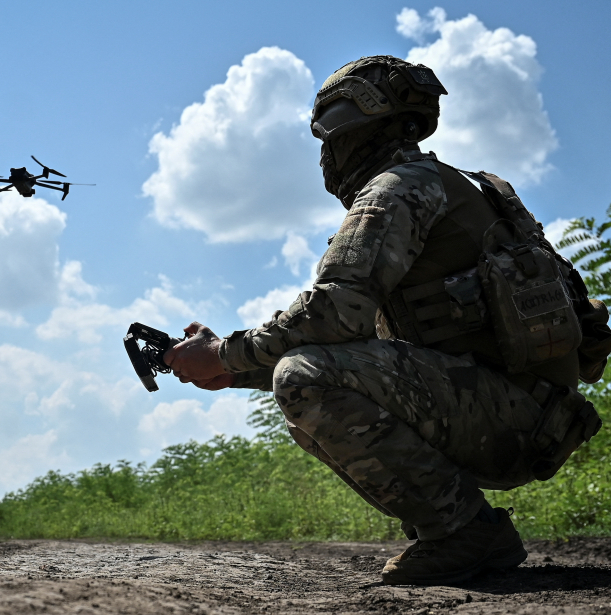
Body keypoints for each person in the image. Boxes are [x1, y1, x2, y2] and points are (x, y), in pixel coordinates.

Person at [163, 55, 605, 586]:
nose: (326, 152)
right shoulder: (449, 187)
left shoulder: (397, 189)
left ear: (358, 124)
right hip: (528, 418)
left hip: (506, 418)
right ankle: (463, 526)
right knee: (300, 377)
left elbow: (332, 314)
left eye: (329, 133)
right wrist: (234, 371)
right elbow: (368, 339)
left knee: (302, 379)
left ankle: (461, 529)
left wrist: (223, 354)